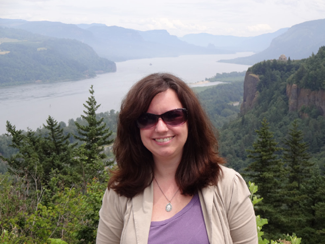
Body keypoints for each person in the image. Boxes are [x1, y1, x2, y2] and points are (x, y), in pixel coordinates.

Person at [96, 73, 258, 244]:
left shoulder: (228, 186)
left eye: (173, 116)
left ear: (191, 122)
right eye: (147, 119)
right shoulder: (119, 193)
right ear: (135, 129)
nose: (160, 128)